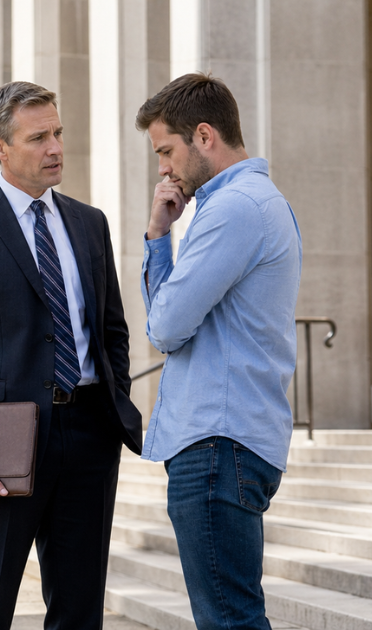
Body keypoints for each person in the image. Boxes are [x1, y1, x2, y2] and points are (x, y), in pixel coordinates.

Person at [0, 80, 142, 630]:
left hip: (90, 435)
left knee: (79, 609)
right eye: (39, 137)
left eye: (59, 133)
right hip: (3, 447)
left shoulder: (91, 224)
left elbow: (112, 329)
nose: (55, 148)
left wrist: (114, 406)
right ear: (0, 147)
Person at [136, 73, 303, 630]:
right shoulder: (256, 203)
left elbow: (164, 327)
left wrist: (159, 236)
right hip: (229, 442)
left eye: (166, 150)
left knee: (229, 621)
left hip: (216, 442)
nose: (164, 167)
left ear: (203, 136)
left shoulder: (235, 208)